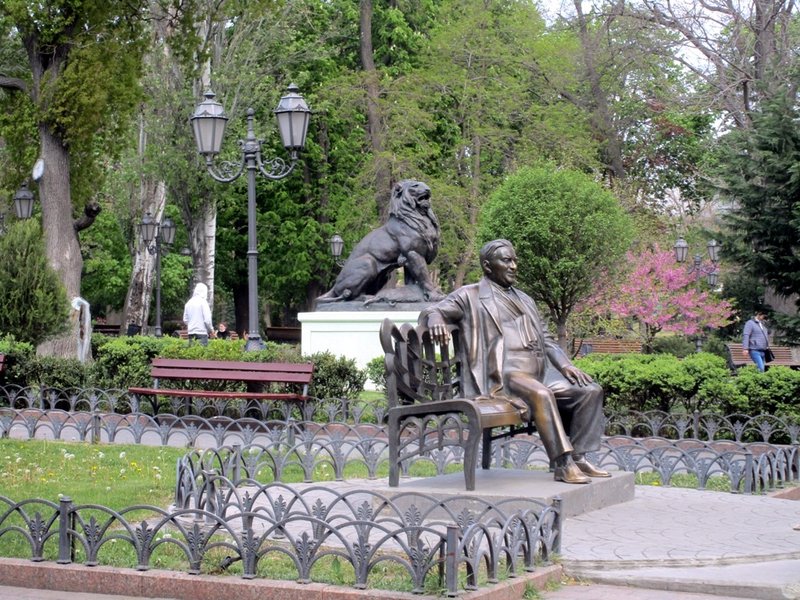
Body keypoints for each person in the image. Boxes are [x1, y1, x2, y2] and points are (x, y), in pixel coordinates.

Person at [420, 239, 608, 485]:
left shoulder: (525, 299)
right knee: (541, 394)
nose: (514, 266)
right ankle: (563, 464)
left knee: (590, 391)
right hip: (506, 375)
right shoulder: (470, 295)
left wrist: (565, 365)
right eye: (506, 261)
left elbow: (547, 339)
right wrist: (435, 321)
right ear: (488, 266)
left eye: (515, 260)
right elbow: (432, 310)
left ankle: (579, 456)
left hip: (539, 372)